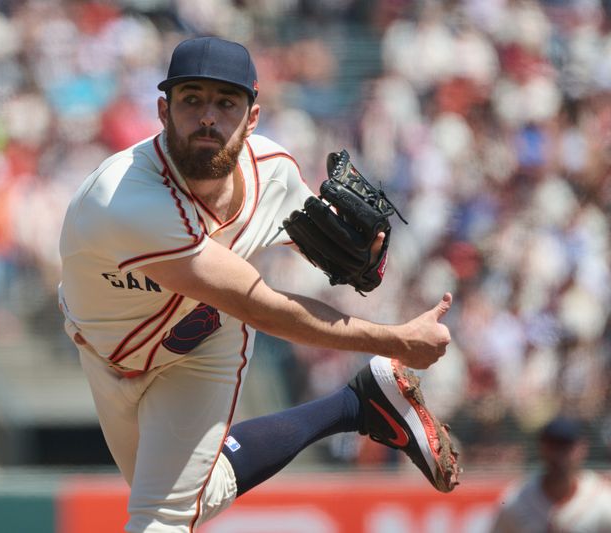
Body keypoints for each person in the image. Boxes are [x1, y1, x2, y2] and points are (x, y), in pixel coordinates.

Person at [58, 36, 459, 532]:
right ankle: (357, 403)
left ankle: (360, 403)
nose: (208, 117)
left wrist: (368, 258)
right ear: (163, 111)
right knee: (195, 501)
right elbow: (262, 307)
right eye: (192, 100)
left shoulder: (274, 174)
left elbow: (332, 250)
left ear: (251, 118)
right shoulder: (126, 197)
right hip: (106, 351)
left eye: (225, 102)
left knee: (159, 520)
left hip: (201, 347)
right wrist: (394, 339)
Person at [491, 415, 611, 533]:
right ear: (542, 448)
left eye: (566, 446)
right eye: (553, 445)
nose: (559, 454)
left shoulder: (602, 501)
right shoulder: (516, 499)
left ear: (582, 448)